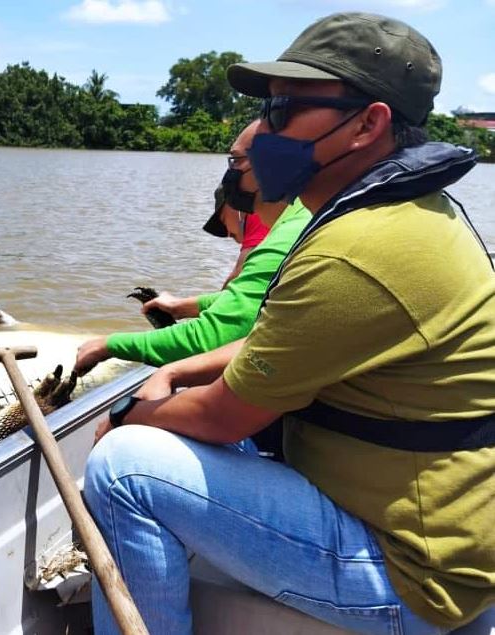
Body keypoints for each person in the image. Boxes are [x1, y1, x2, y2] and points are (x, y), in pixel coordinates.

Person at [84, 12, 495, 635]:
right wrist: (179, 370)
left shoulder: (357, 250)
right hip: (439, 537)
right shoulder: (407, 212)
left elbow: (223, 417)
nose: (264, 132)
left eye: (283, 110)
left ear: (368, 124)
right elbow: (284, 340)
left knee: (124, 467)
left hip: (413, 577)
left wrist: (124, 416)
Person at [74, 121, 311, 375]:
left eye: (235, 161)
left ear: (272, 165)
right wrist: (183, 306)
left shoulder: (285, 238)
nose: (230, 174)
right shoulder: (301, 214)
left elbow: (210, 339)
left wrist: (107, 345)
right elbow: (254, 299)